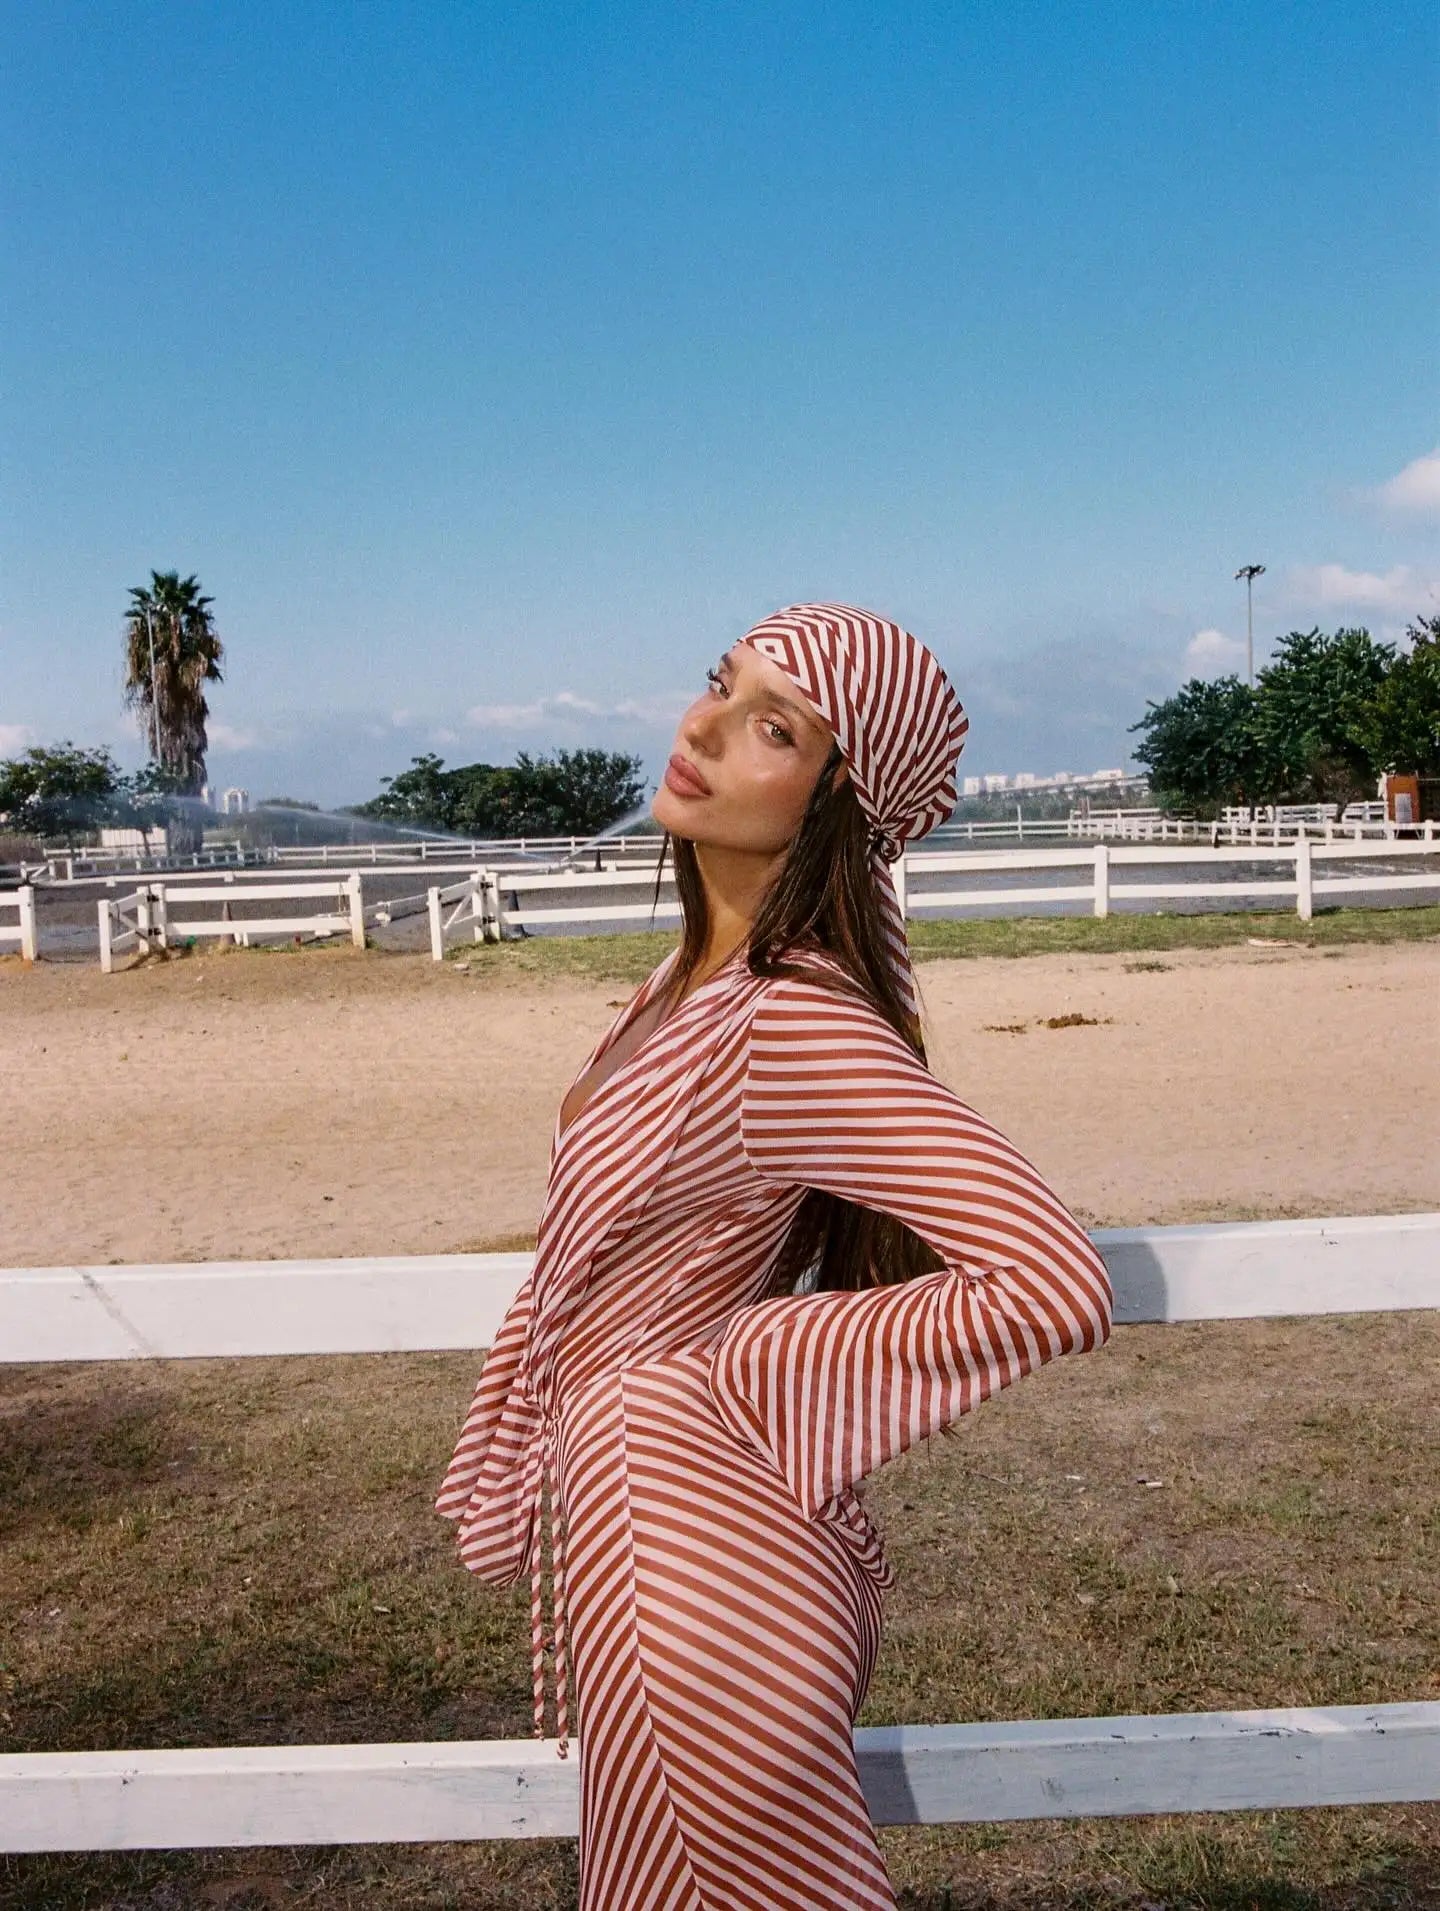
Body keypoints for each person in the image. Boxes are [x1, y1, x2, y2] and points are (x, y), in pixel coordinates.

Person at [437, 603, 1114, 1910]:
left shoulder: (787, 1022)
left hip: (704, 1558)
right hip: (657, 1536)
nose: (700, 726)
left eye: (774, 725)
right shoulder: (682, 986)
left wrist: (732, 1358)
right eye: (720, 686)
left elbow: (1050, 1278)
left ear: (837, 799)